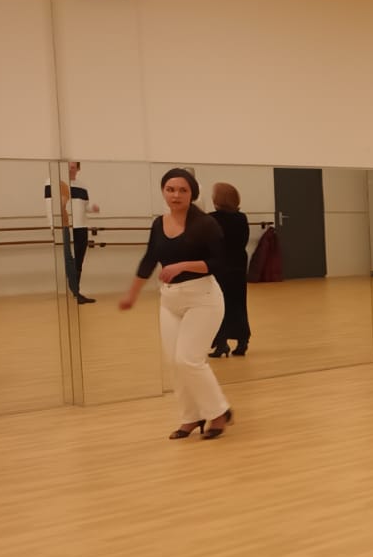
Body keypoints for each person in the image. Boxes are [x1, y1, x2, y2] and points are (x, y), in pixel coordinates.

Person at [117, 168, 234, 440]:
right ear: (163, 192)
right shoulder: (159, 223)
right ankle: (191, 416)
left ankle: (219, 412)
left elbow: (220, 263)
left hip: (202, 299)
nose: (176, 195)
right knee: (174, 362)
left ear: (192, 194)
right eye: (170, 189)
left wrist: (183, 265)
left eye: (182, 190)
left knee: (188, 359)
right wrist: (132, 295)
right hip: (169, 301)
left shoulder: (205, 224)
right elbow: (149, 259)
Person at [44, 161, 99, 303]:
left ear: (78, 169)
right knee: (68, 260)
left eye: (73, 167)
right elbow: (50, 205)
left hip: (81, 226)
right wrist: (52, 226)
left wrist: (92, 209)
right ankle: (74, 291)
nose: (70, 169)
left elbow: (85, 207)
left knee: (78, 260)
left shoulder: (82, 186)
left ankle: (76, 292)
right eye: (68, 166)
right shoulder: (53, 182)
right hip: (65, 226)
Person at [208, 182, 251, 357]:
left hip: (220, 265)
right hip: (238, 264)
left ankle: (221, 343)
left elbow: (210, 243)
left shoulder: (211, 218)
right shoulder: (241, 218)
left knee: (219, 304)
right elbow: (243, 241)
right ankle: (242, 341)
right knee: (238, 303)